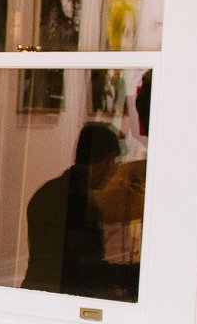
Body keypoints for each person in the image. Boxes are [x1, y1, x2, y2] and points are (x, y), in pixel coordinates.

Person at [22, 121, 131, 298]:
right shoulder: (82, 205)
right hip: (62, 300)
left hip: (35, 291)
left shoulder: (47, 192)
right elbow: (85, 273)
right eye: (115, 164)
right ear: (108, 159)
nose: (114, 172)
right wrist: (130, 275)